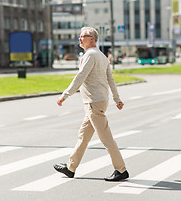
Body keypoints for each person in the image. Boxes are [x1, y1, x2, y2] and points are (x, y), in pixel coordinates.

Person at [54, 27, 129, 182]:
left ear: (92, 39)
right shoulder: (101, 56)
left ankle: (121, 169)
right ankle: (70, 167)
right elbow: (111, 79)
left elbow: (80, 76)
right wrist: (116, 99)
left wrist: (65, 95)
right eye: (79, 36)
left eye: (83, 36)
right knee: (83, 136)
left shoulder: (90, 55)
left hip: (94, 103)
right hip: (99, 101)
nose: (80, 39)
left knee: (106, 138)